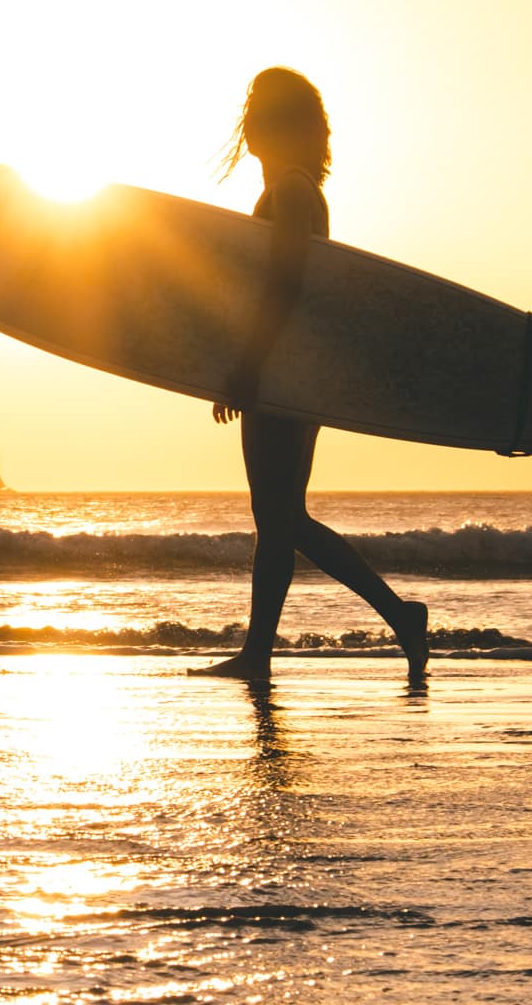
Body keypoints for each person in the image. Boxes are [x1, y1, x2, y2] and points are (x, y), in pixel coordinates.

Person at [190, 68, 429, 680]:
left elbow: (286, 284)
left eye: (259, 116)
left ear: (277, 127)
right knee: (279, 519)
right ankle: (266, 653)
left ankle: (394, 617)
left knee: (280, 518)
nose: (249, 128)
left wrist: (247, 365)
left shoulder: (293, 192)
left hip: (284, 376)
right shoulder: (294, 189)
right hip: (295, 374)